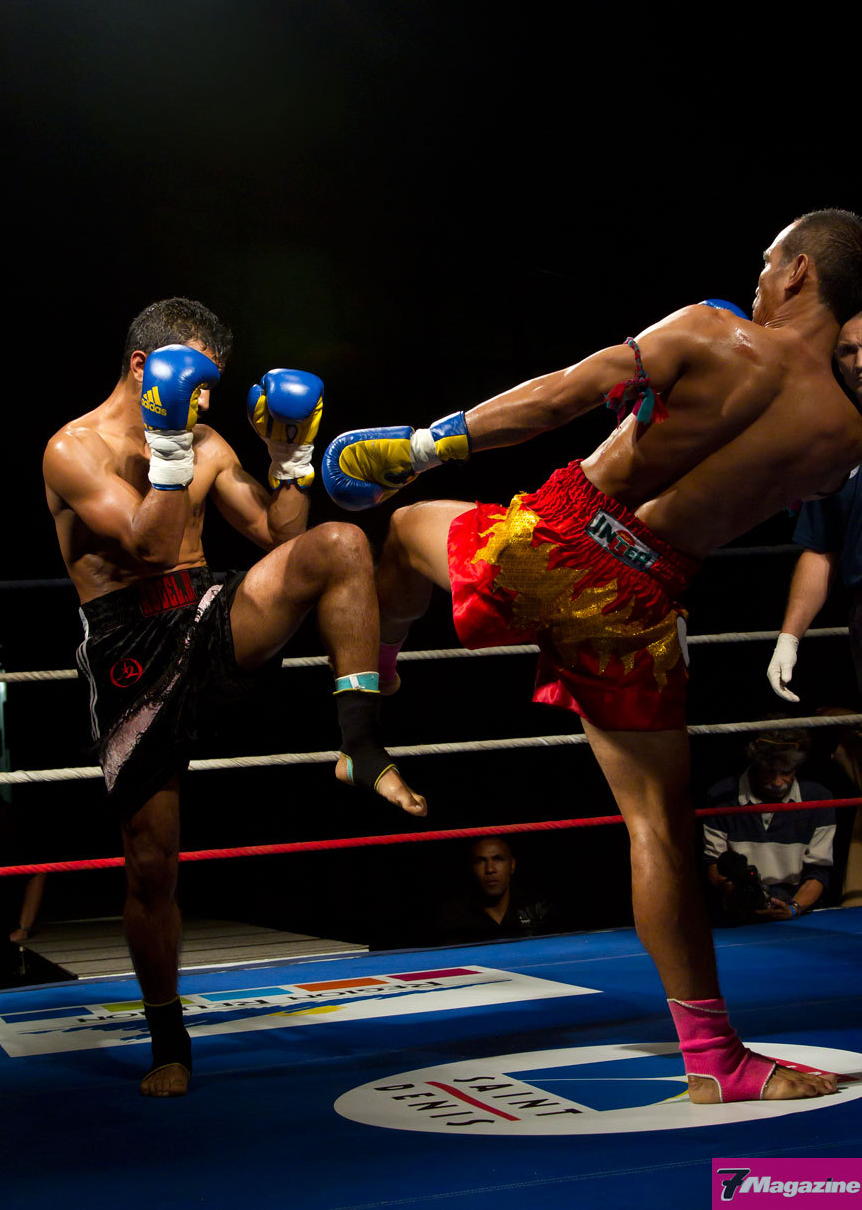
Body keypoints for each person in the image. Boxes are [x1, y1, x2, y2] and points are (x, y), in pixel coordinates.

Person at [322, 208, 862, 1104]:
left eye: (768, 264)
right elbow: (778, 488)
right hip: (642, 601)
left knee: (403, 531)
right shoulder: (844, 434)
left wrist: (418, 447)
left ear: (800, 271)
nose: (758, 279)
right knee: (658, 827)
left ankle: (373, 677)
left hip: (554, 546)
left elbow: (559, 395)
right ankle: (715, 1059)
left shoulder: (710, 328)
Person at [43, 297, 426, 1099]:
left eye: (212, 385)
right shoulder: (73, 449)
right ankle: (168, 1041)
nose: (209, 399)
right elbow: (147, 543)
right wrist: (169, 447)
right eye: (198, 381)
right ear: (147, 368)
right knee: (152, 864)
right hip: (126, 646)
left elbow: (281, 536)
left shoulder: (209, 442)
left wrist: (289, 456)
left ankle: (358, 742)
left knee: (338, 543)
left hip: (209, 609)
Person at [766, 313, 862, 703]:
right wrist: (789, 638)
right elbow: (822, 548)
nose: (860, 362)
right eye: (848, 351)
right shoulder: (839, 447)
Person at [703, 732, 834, 922]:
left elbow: (819, 871)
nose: (778, 782)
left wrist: (793, 908)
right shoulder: (723, 796)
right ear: (756, 765)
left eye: (786, 772)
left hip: (797, 912)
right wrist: (739, 897)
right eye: (769, 772)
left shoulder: (818, 799)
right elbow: (713, 863)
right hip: (737, 912)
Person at [434, 836, 559, 945]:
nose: (490, 869)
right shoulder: (453, 914)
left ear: (512, 865)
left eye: (498, 859)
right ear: (471, 868)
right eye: (480, 861)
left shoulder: (537, 907)